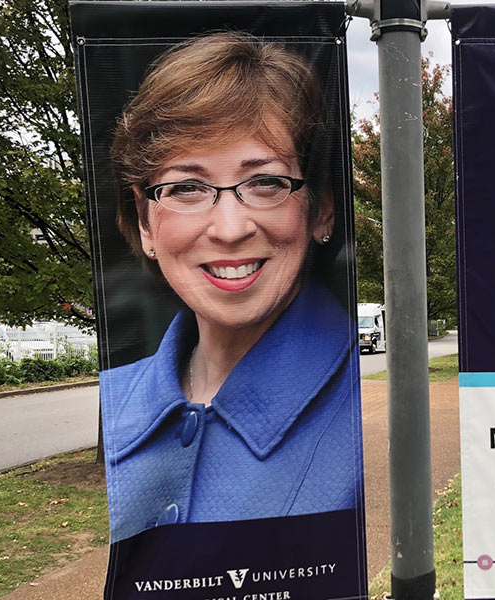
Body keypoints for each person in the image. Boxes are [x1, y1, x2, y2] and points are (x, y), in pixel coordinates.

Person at [102, 32, 362, 543]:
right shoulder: (112, 395)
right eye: (186, 187)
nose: (229, 228)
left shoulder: (391, 404)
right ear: (145, 222)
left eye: (265, 182)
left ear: (322, 207)